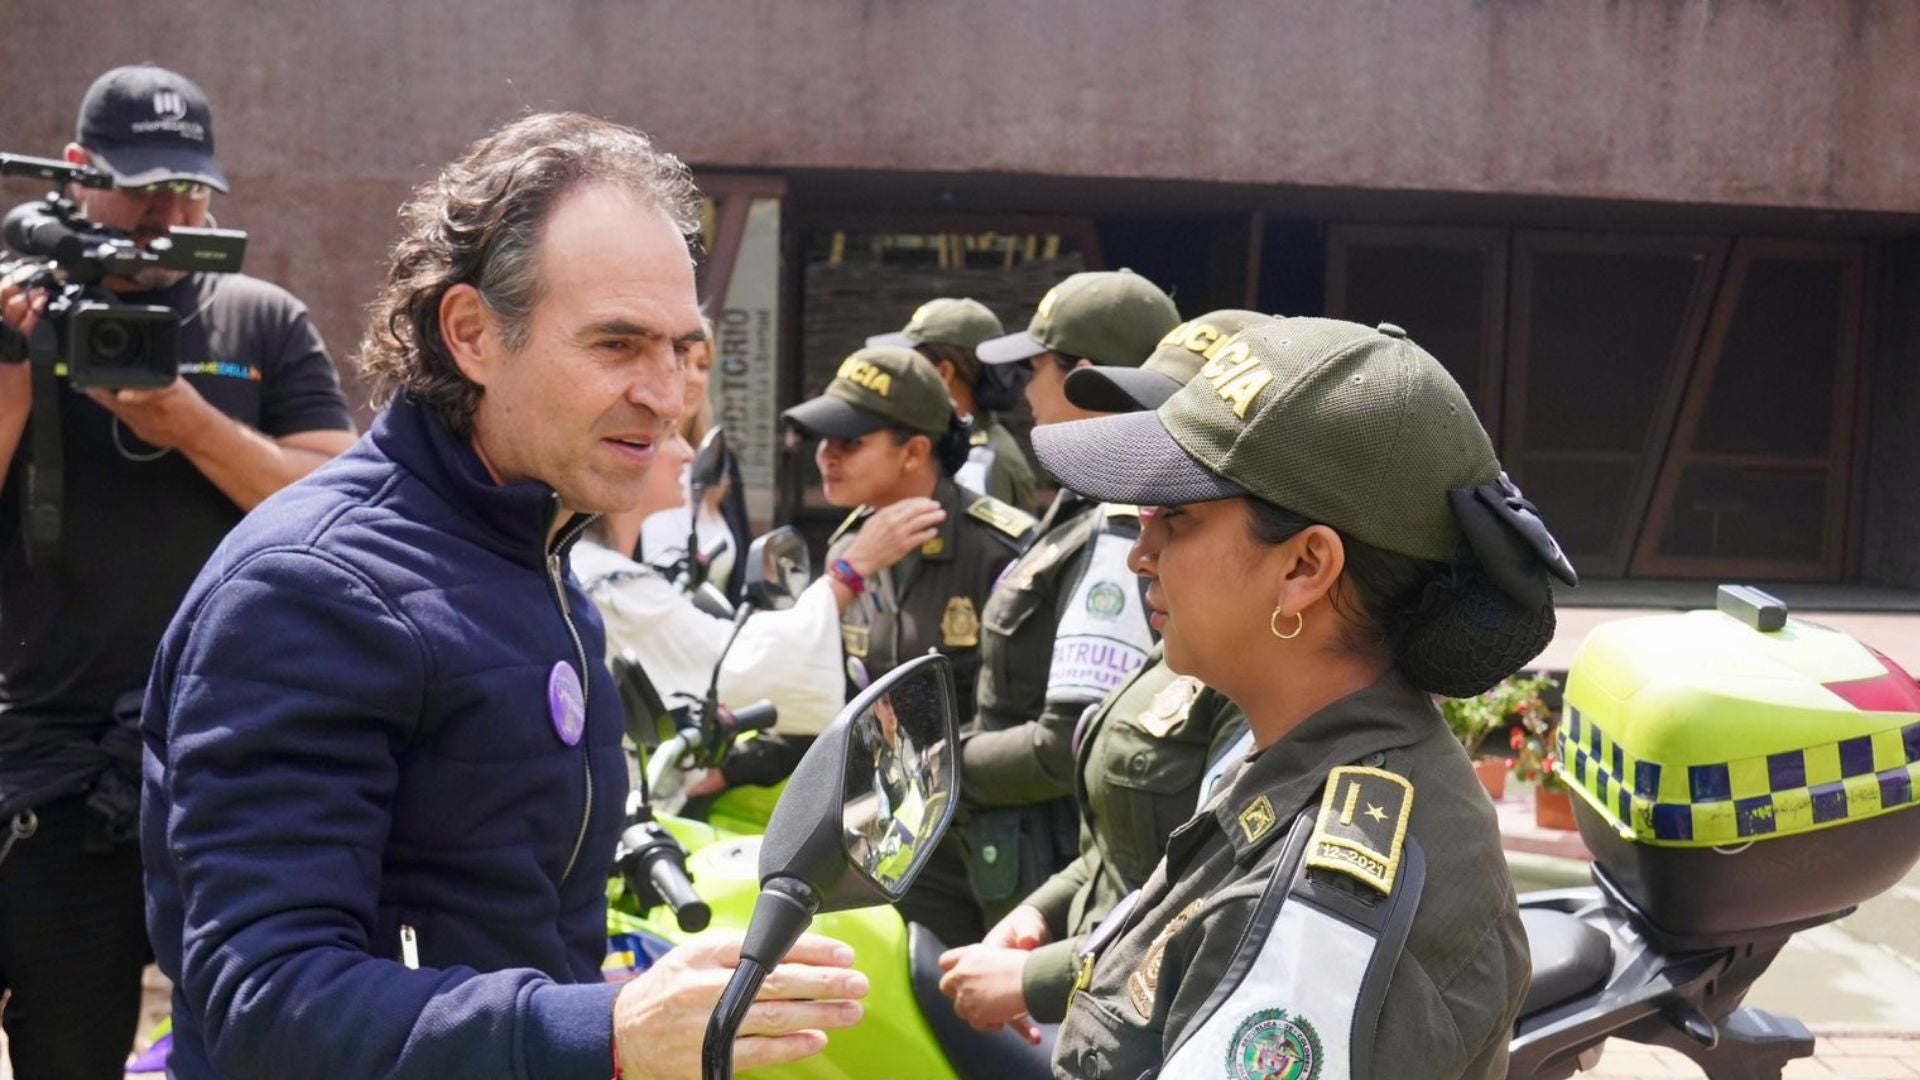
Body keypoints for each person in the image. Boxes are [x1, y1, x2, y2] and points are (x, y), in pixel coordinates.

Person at [140, 112, 865, 1080]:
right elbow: (269, 1004)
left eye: (683, 350)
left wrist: (616, 999)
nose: (664, 395)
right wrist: (600, 1031)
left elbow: (497, 923)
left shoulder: (535, 552)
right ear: (474, 334)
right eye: (617, 344)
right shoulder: (312, 591)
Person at [1030, 317, 1576, 1078]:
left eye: (1179, 518)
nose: (1141, 553)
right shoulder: (1305, 755)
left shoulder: (1319, 915)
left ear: (1304, 568)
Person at [0, 65, 356, 1077]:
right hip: (57, 767)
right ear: (77, 175)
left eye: (189, 193)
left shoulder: (261, 320)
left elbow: (334, 511)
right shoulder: (17, 314)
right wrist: (12, 389)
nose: (167, 217)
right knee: (68, 1045)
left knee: (250, 1041)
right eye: (143, 190)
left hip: (232, 750)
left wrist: (182, 419)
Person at [936, 310, 1272, 1042]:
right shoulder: (1187, 634)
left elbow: (1216, 912)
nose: (1141, 549)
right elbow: (1121, 856)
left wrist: (1041, 977)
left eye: (1179, 513)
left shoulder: (1273, 690)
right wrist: (1044, 913)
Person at [765, 344, 1035, 945]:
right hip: (881, 838)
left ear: (915, 451)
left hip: (985, 849)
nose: (826, 456)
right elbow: (832, 702)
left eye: (850, 441)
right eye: (824, 439)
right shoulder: (848, 554)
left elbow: (1034, 724)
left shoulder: (1004, 551)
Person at [947, 269, 1180, 932]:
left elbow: (1064, 745)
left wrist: (939, 762)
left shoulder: (1118, 529)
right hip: (1024, 863)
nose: (1024, 392)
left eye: (1034, 369)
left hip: (1048, 874)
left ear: (1082, 377)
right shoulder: (1085, 503)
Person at [573, 428, 936, 738]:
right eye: (668, 434)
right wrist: (850, 571)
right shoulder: (611, 585)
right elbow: (736, 668)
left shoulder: (597, 568)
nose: (687, 453)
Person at [868, 297, 1036, 510]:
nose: (902, 376)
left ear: (943, 373)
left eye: (912, 365)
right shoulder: (951, 445)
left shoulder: (981, 462)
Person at [637, 333, 750, 596]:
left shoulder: (720, 460)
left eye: (703, 366)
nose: (695, 378)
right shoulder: (624, 456)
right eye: (683, 362)